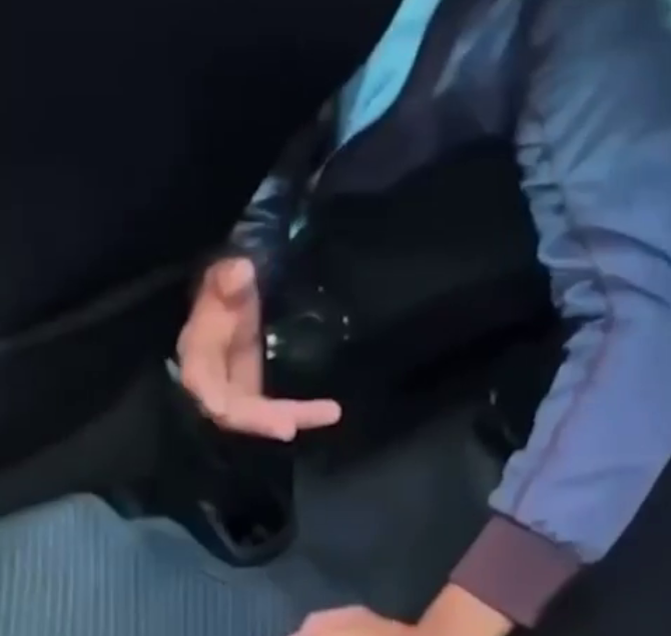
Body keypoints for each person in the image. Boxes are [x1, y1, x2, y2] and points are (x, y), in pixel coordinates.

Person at [1, 1, 671, 636]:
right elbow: (275, 103)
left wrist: (461, 619)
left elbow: (640, 323)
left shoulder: (586, 23)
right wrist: (239, 260)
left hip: (392, 345)